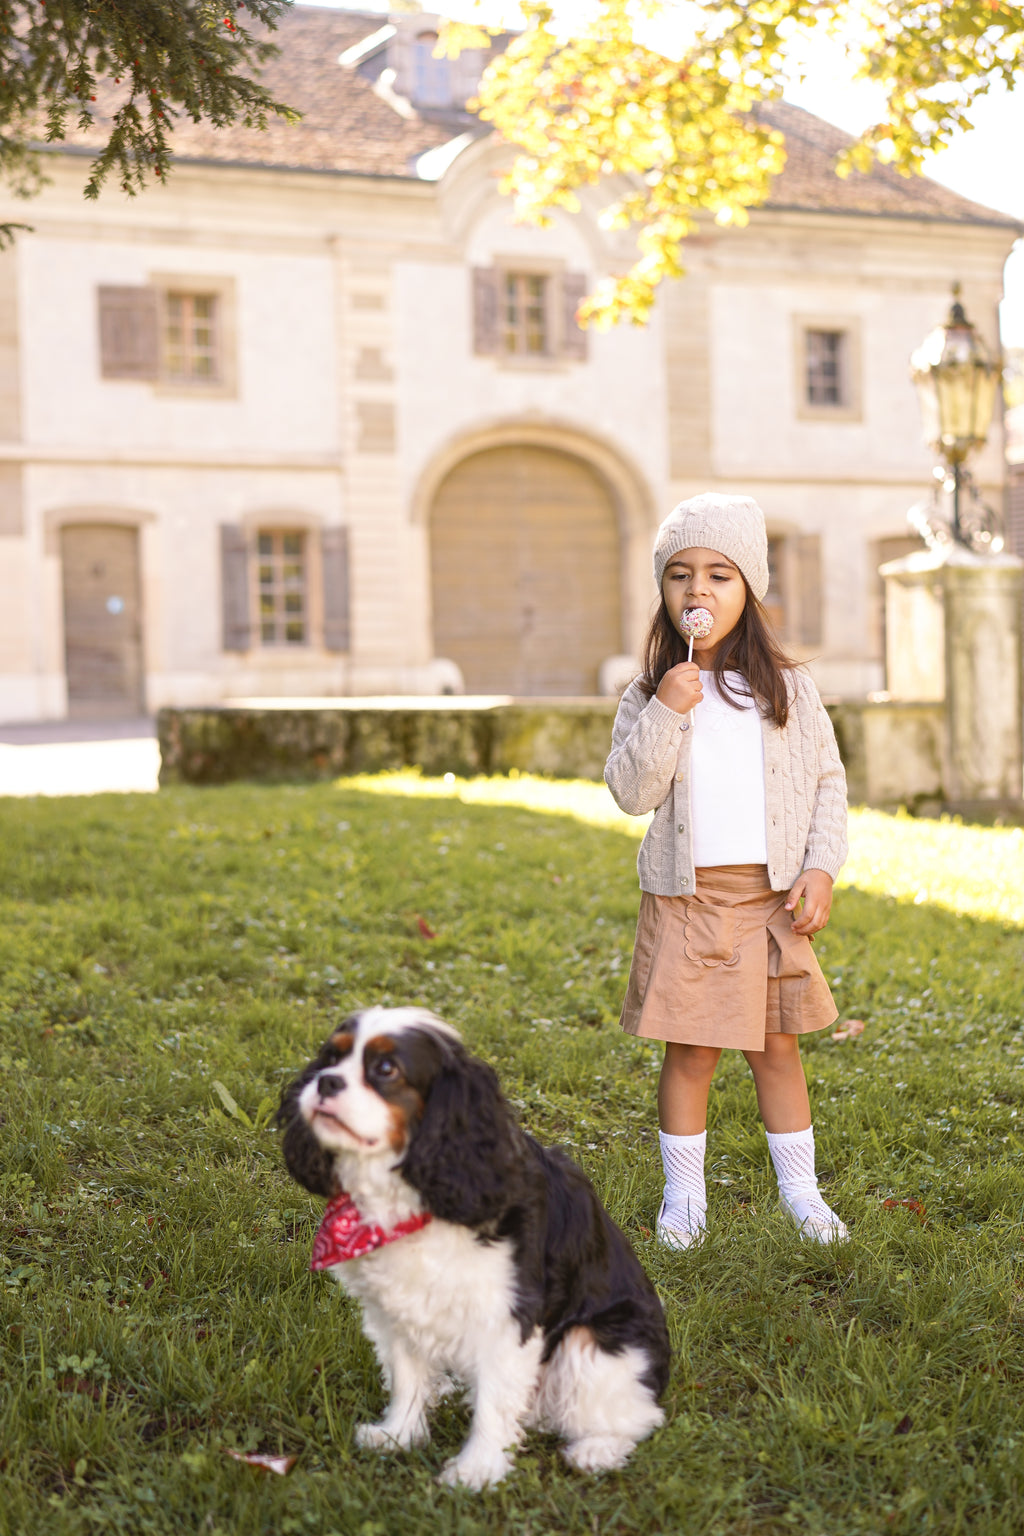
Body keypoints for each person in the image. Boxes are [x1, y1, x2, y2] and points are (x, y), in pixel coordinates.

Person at [604, 493, 849, 1250]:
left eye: (719, 574)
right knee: (693, 1049)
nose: (697, 592)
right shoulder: (650, 693)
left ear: (750, 589)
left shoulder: (786, 691)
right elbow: (630, 792)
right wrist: (668, 713)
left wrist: (820, 868)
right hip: (688, 899)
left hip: (769, 899)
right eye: (680, 576)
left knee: (778, 1047)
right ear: (664, 592)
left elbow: (826, 784)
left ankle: (802, 1194)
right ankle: (684, 1199)